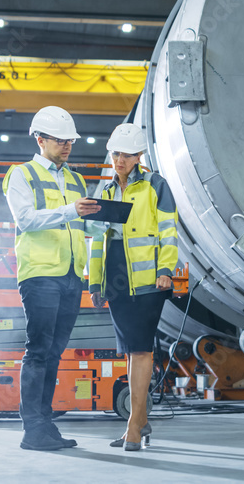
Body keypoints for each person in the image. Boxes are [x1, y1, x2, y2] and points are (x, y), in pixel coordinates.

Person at [2, 105, 100, 451]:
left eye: (70, 140)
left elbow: (80, 224)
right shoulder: (21, 175)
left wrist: (104, 222)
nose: (67, 146)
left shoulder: (75, 179)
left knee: (55, 353)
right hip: (40, 273)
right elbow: (26, 220)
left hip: (72, 274)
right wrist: (72, 211)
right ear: (39, 139)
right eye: (60, 140)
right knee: (40, 351)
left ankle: (45, 425)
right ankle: (33, 430)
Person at [89, 122, 179, 452]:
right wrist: (95, 281)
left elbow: (169, 230)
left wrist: (166, 269)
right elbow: (97, 241)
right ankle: (140, 420)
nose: (119, 161)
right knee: (130, 350)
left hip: (149, 283)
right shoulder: (106, 191)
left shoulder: (156, 185)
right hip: (115, 282)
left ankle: (133, 427)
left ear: (139, 155)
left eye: (126, 155)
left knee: (141, 350)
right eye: (115, 154)